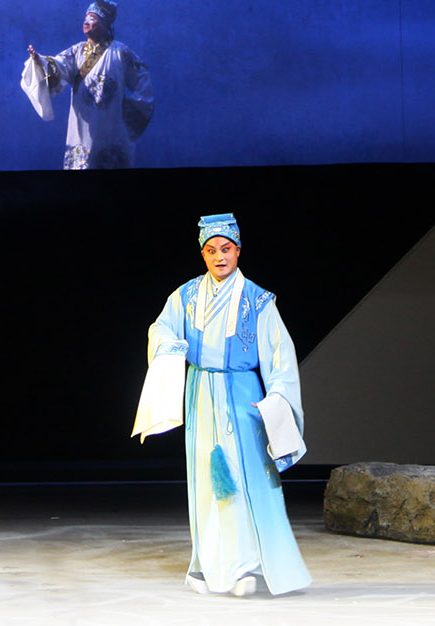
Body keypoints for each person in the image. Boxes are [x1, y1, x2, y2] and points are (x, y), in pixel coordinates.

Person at [132, 212, 311, 598]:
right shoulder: (186, 295)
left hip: (242, 396)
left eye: (226, 249)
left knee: (245, 480)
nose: (219, 257)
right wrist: (170, 345)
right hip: (200, 393)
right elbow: (160, 327)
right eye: (211, 250)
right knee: (206, 482)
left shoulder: (258, 300)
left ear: (238, 250)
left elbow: (280, 354)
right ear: (203, 254)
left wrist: (277, 397)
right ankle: (205, 564)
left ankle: (246, 566)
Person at [22, 0, 154, 169]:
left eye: (92, 19)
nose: (86, 22)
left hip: (112, 127)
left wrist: (127, 115)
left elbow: (143, 80)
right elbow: (60, 65)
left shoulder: (121, 53)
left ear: (105, 24)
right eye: (86, 18)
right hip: (82, 129)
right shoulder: (77, 51)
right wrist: (40, 61)